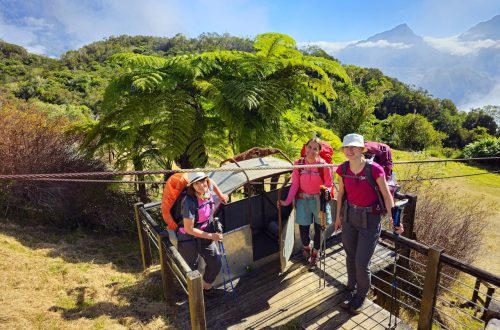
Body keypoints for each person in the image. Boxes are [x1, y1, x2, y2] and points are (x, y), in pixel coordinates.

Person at [334, 133, 404, 314]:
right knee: (350, 257)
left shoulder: (375, 170)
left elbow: (388, 197)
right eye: (346, 147)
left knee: (361, 262)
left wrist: (395, 220)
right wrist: (337, 217)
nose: (349, 150)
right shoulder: (342, 170)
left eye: (353, 147)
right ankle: (351, 288)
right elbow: (340, 194)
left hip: (370, 221)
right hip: (349, 218)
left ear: (361, 149)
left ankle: (361, 294)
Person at [279, 137, 333, 268]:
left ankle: (315, 253)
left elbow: (329, 184)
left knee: (320, 228)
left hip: (320, 201)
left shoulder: (324, 166)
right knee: (303, 230)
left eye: (315, 148)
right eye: (310, 147)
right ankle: (307, 248)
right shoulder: (298, 164)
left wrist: (327, 191)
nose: (311, 151)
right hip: (303, 200)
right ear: (305, 147)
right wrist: (287, 202)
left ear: (319, 151)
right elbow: (295, 185)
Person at [176, 172, 227, 296]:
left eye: (202, 181)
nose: (200, 185)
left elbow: (213, 184)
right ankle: (193, 296)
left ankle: (206, 288)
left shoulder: (207, 188)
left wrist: (221, 196)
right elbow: (189, 229)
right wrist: (212, 236)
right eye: (196, 183)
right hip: (188, 238)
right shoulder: (189, 202)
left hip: (204, 233)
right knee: (191, 269)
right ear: (192, 186)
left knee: (216, 263)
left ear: (207, 181)